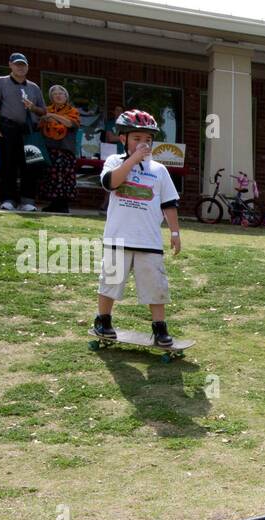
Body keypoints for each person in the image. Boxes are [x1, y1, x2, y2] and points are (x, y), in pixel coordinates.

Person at [91, 109, 182, 348]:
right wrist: (132, 160)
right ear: (124, 139)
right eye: (137, 139)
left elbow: (169, 203)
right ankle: (103, 320)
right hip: (117, 239)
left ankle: (159, 328)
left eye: (148, 140)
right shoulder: (114, 162)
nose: (144, 144)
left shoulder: (159, 170)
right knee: (110, 283)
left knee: (155, 287)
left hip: (149, 241)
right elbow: (110, 183)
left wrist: (175, 232)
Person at [0, 52, 46, 211]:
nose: (20, 67)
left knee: (30, 165)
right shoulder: (0, 82)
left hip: (29, 130)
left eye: (23, 65)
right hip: (8, 127)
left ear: (27, 67)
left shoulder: (34, 87)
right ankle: (8, 199)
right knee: (8, 164)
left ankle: (28, 200)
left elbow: (43, 111)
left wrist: (32, 107)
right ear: (10, 65)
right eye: (17, 64)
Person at [38, 84, 80, 213]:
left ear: (66, 96)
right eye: (55, 94)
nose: (58, 95)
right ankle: (53, 204)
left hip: (65, 149)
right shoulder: (46, 110)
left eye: (61, 93)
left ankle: (63, 205)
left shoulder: (72, 111)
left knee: (64, 177)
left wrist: (52, 116)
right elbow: (39, 125)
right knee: (51, 177)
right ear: (51, 97)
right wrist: (46, 116)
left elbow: (70, 123)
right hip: (49, 148)